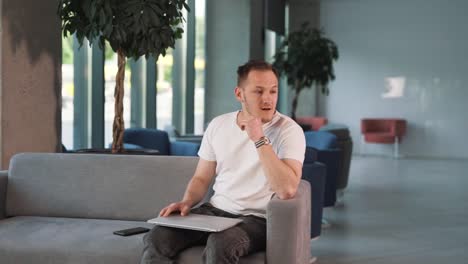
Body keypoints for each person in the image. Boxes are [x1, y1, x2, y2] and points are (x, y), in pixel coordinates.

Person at [140, 60, 306, 264]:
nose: (267, 99)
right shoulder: (218, 125)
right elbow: (202, 177)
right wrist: (186, 202)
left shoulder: (289, 131)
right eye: (258, 91)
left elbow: (287, 189)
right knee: (158, 236)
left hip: (257, 218)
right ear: (239, 94)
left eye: (273, 91)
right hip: (215, 210)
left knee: (222, 243)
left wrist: (259, 139)